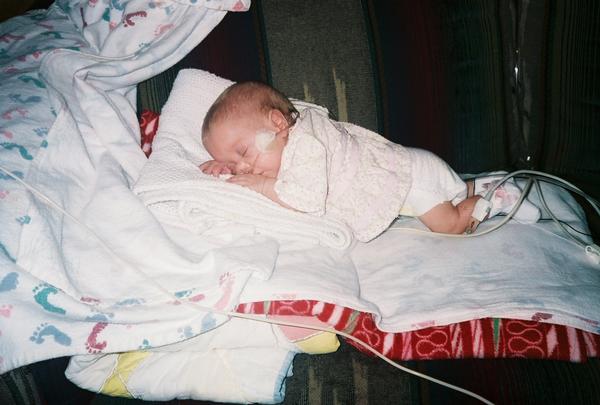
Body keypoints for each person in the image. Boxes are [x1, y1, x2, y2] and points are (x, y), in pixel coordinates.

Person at [199, 81, 539, 242]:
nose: (243, 169)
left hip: (411, 182)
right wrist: (223, 170)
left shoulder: (306, 147)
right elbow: (251, 174)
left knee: (448, 225)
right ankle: (478, 184)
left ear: (276, 124)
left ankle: (492, 200)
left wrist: (259, 184)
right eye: (232, 163)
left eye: (242, 154)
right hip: (411, 168)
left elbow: (303, 198)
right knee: (449, 189)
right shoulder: (291, 134)